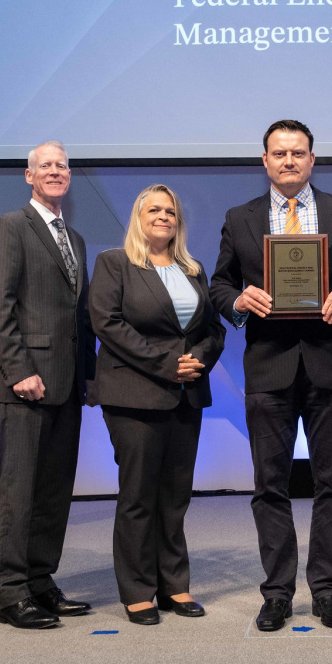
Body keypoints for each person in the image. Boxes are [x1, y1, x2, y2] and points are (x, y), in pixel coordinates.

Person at [211, 119, 332, 631]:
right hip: (267, 366)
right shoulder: (239, 217)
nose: (289, 161)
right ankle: (276, 592)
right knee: (269, 483)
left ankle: (327, 590)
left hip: (330, 364)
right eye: (279, 153)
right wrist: (239, 301)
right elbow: (220, 284)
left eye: (298, 153)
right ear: (263, 161)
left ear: (313, 160)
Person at [88, 185, 226, 626]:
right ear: (138, 216)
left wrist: (197, 361)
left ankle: (174, 584)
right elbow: (107, 324)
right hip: (134, 394)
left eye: (170, 211)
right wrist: (168, 364)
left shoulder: (193, 268)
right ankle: (137, 589)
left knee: (175, 495)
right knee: (139, 495)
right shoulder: (115, 263)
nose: (163, 216)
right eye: (154, 209)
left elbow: (213, 328)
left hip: (187, 394)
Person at [0, 141, 97, 629]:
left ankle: (40, 580)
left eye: (62, 166)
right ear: (28, 176)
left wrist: (89, 377)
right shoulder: (10, 226)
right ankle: (10, 592)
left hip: (67, 385)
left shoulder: (75, 237)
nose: (55, 172)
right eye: (45, 166)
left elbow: (82, 316)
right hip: (25, 383)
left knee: (53, 490)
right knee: (18, 489)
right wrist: (17, 369)